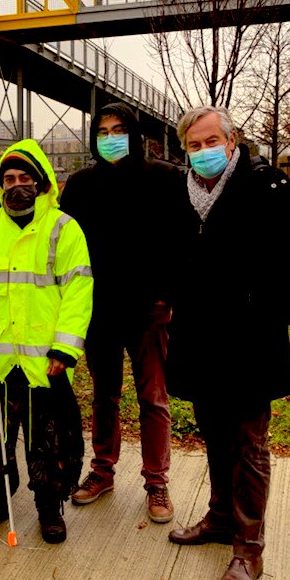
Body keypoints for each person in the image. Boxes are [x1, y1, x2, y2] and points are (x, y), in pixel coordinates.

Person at [165, 106, 290, 580]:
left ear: (232, 142)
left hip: (251, 341)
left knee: (250, 445)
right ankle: (218, 518)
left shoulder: (267, 187)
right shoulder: (182, 195)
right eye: (194, 145)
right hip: (200, 338)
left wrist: (270, 314)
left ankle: (248, 547)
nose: (204, 152)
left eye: (212, 141)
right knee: (214, 434)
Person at [0, 139, 92, 544]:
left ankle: (49, 508)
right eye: (9, 178)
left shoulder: (64, 229)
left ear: (42, 182)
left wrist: (65, 348)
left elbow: (78, 289)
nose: (17, 185)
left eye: (25, 177)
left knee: (48, 441)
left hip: (42, 363)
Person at [61, 102, 182, 524]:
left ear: (135, 133)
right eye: (103, 131)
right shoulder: (79, 186)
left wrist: (168, 294)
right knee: (105, 397)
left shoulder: (164, 179)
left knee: (153, 399)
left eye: (119, 129)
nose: (111, 138)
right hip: (100, 313)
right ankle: (102, 472)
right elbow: (66, 250)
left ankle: (157, 481)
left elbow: (180, 239)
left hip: (149, 311)